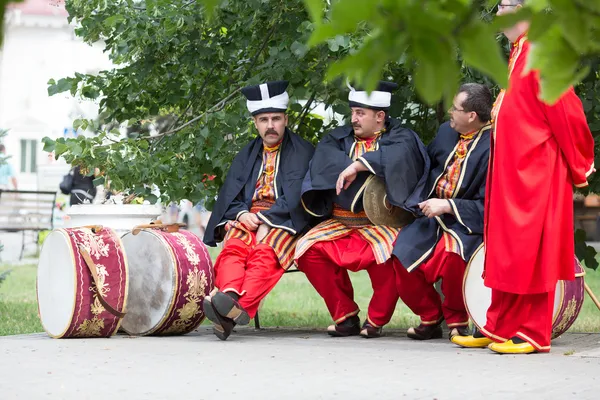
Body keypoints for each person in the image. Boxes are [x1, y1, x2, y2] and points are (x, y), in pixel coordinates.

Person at [452, 0, 595, 354]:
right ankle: (499, 325)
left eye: (506, 5)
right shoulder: (518, 54)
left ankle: (532, 332)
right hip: (510, 175)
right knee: (504, 250)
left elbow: (567, 113)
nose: (499, 12)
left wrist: (579, 165)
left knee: (531, 252)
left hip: (537, 175)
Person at [296, 81, 428, 338]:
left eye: (360, 113)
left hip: (380, 224)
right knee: (307, 251)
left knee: (388, 257)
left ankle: (376, 320)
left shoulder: (401, 137)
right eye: (353, 112)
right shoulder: (337, 138)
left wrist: (358, 165)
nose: (353, 119)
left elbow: (402, 157)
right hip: (341, 222)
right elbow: (325, 163)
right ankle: (344, 315)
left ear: (380, 116)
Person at [203, 80, 315, 340]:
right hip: (249, 216)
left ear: (285, 119)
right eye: (264, 119)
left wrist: (267, 219)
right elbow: (232, 194)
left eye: (276, 118)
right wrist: (242, 214)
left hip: (287, 220)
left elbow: (300, 196)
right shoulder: (246, 154)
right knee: (234, 246)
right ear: (255, 123)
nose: (270, 125)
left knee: (264, 253)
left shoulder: (304, 152)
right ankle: (229, 298)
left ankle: (230, 311)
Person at [392, 83, 492, 340]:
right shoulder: (445, 132)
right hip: (430, 214)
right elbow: (424, 165)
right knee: (401, 255)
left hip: (466, 221)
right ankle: (430, 316)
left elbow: (489, 203)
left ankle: (457, 319)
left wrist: (448, 205)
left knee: (453, 257)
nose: (449, 111)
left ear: (471, 116)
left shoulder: (494, 146)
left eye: (455, 108)